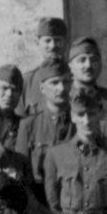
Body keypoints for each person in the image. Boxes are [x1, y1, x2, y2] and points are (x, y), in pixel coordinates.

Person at [16, 59, 74, 187]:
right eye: (54, 82)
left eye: (65, 81)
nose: (61, 88)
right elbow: (21, 175)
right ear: (42, 88)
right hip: (39, 199)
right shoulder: (28, 126)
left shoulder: (81, 122)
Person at [22, 16, 69, 114]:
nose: (53, 46)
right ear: (37, 42)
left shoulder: (75, 77)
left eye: (58, 40)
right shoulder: (27, 81)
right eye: (47, 41)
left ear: (66, 42)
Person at [67, 37, 107, 115]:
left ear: (100, 64)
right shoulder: (65, 99)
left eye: (93, 60)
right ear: (70, 66)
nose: (88, 65)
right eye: (82, 60)